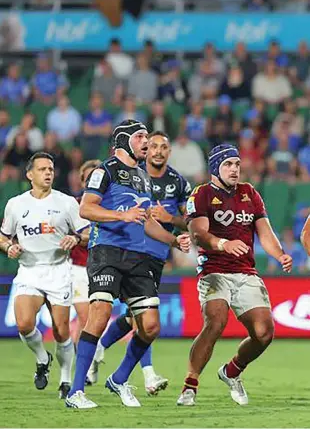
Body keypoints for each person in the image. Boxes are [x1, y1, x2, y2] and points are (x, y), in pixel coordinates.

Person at [65, 120, 190, 409]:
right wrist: (121, 216)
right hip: (106, 252)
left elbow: (146, 221)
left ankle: (119, 379)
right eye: (141, 137)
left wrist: (173, 241)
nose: (147, 141)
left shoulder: (144, 177)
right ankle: (76, 391)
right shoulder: (104, 170)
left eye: (148, 136)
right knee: (100, 314)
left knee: (150, 326)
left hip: (138, 256)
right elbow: (87, 208)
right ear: (124, 141)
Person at [176, 143, 293, 407]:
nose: (234, 169)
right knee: (216, 320)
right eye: (228, 164)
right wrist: (222, 244)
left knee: (264, 332)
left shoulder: (249, 193)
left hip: (245, 271)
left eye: (237, 164)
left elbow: (265, 231)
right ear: (215, 167)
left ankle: (231, 371)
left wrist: (280, 254)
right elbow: (198, 234)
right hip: (214, 270)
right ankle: (189, 385)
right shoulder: (201, 194)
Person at [0, 152, 90, 399]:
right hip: (29, 271)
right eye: (42, 169)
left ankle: (65, 379)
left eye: (50, 168)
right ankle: (42, 357)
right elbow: (3, 235)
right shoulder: (16, 205)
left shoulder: (67, 203)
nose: (48, 172)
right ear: (30, 175)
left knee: (62, 332)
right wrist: (9, 247)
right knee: (24, 324)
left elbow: (88, 233)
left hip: (59, 271)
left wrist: (76, 238)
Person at [70, 159, 102, 386]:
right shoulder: (72, 206)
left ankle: (90, 358)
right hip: (79, 270)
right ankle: (90, 365)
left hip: (104, 268)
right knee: (86, 317)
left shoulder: (109, 205)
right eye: (88, 178)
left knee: (92, 321)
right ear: (82, 182)